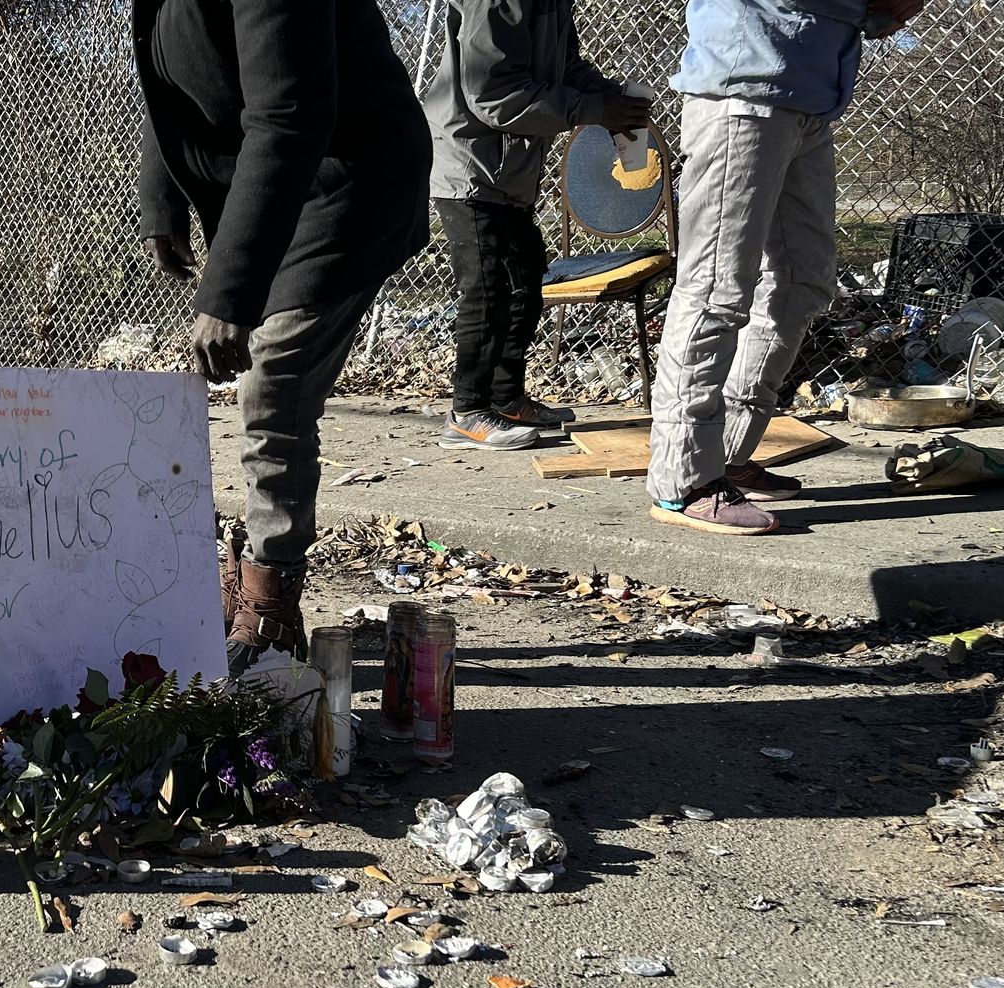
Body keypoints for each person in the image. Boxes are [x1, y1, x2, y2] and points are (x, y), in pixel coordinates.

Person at [135, 0, 433, 675]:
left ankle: (271, 595)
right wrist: (162, 197)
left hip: (349, 180)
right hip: (282, 184)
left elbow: (289, 116)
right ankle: (244, 576)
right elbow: (166, 85)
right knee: (263, 381)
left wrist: (229, 293)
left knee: (275, 380)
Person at [647, 0, 924, 534]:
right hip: (743, 87)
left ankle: (725, 454)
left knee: (801, 283)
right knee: (715, 289)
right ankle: (683, 481)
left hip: (810, 98)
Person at [423, 0, 651, 451]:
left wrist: (611, 99)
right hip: (468, 162)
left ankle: (506, 399)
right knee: (487, 289)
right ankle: (467, 411)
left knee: (525, 281)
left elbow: (565, 70)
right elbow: (492, 95)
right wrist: (593, 110)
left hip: (508, 168)